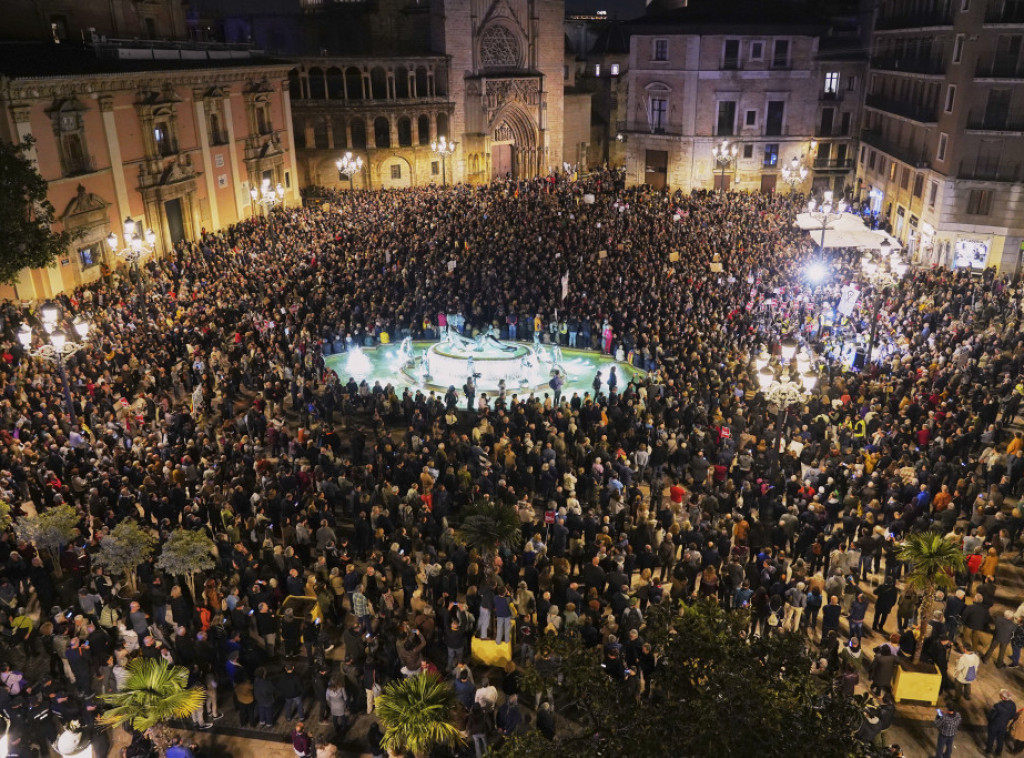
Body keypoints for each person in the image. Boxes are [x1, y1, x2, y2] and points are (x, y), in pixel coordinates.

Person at [986, 689, 1017, 756]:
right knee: (1000, 739)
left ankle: (988, 751)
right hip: (1003, 725)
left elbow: (991, 716)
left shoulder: (997, 705)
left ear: (1003, 697)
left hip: (994, 725)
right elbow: (1012, 716)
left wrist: (989, 720)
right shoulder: (1013, 705)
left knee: (991, 738)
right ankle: (998, 753)